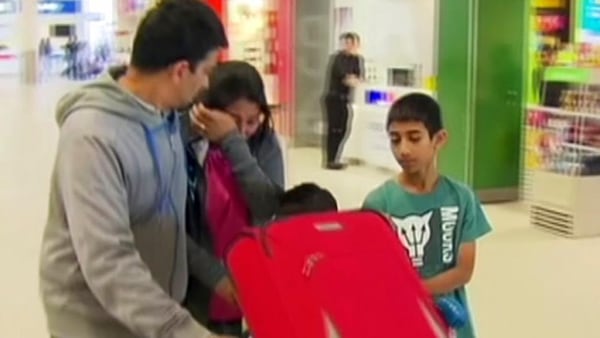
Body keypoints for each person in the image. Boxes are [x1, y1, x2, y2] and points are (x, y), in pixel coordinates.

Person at [39, 1, 235, 337]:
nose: (206, 84)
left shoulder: (167, 115)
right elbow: (108, 262)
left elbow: (166, 219)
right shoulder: (92, 136)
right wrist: (183, 329)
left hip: (149, 318)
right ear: (180, 71)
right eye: (206, 71)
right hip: (96, 325)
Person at [362, 93, 492, 338]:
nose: (404, 150)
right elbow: (373, 273)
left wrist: (415, 290)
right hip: (399, 319)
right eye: (395, 140)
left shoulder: (461, 198)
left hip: (450, 319)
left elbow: (464, 270)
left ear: (439, 139)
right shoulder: (378, 203)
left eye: (414, 138)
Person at [182, 60, 285, 336]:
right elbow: (176, 229)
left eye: (252, 121)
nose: (243, 130)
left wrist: (232, 141)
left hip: (252, 284)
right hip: (198, 290)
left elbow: (269, 207)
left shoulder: (265, 144)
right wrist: (216, 277)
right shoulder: (187, 146)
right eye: (232, 120)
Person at [322, 32, 364, 170]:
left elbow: (358, 78)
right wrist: (350, 79)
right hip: (334, 98)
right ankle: (330, 160)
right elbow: (344, 77)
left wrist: (352, 79)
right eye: (347, 43)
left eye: (352, 43)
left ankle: (335, 157)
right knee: (334, 129)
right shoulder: (337, 58)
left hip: (345, 99)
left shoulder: (357, 59)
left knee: (344, 128)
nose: (350, 46)